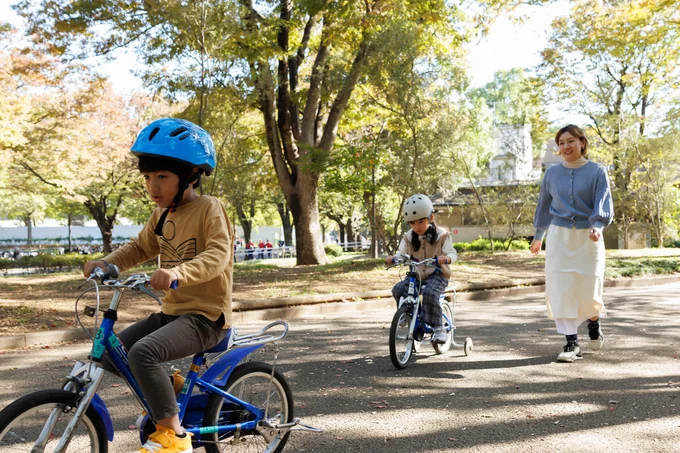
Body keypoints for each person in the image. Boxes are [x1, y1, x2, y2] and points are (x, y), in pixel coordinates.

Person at [83, 118, 233, 453]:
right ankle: (169, 390)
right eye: (148, 177)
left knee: (143, 352)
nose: (153, 185)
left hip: (206, 318)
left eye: (162, 177)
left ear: (190, 176)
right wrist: (108, 263)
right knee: (111, 352)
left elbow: (218, 255)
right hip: (173, 314)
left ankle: (172, 434)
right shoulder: (162, 214)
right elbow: (139, 247)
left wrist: (179, 272)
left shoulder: (210, 208)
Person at [531, 124, 613, 363]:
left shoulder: (598, 171)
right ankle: (571, 344)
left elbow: (603, 202)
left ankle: (594, 322)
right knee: (561, 288)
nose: (565, 147)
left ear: (582, 143)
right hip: (559, 236)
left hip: (589, 236)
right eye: (561, 143)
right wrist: (538, 236)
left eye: (570, 141)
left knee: (589, 288)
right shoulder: (552, 174)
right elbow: (544, 206)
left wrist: (597, 225)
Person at [386, 194, 457, 344]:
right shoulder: (409, 237)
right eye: (412, 223)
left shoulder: (442, 235)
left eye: (421, 221)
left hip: (437, 275)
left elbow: (452, 253)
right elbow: (402, 254)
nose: (417, 226)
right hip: (416, 274)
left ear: (430, 218)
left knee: (430, 294)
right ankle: (407, 314)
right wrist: (394, 258)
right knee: (398, 289)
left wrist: (447, 258)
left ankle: (439, 328)